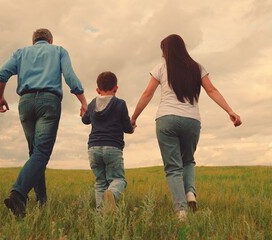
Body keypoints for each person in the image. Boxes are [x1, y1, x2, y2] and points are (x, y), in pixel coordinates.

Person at [131, 34, 242, 220]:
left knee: (173, 167)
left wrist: (134, 117)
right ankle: (190, 193)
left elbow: (147, 93)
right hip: (191, 121)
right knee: (188, 160)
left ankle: (181, 211)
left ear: (166, 51)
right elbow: (211, 90)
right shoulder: (197, 67)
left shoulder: (160, 68)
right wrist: (229, 111)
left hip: (166, 119)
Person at [0, 28, 88, 217]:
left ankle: (42, 201)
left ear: (33, 41)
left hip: (26, 103)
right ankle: (18, 194)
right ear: (51, 40)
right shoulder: (59, 51)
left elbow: (1, 74)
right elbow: (70, 76)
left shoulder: (21, 53)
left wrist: (0, 98)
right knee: (42, 152)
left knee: (35, 153)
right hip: (49, 102)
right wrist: (83, 101)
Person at [81, 71, 134, 212]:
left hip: (93, 148)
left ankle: (101, 213)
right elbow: (127, 128)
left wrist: (84, 112)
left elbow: (85, 120)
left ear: (98, 90)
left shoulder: (92, 104)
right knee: (118, 180)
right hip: (112, 147)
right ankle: (112, 194)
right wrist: (132, 126)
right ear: (116, 88)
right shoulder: (120, 104)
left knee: (100, 183)